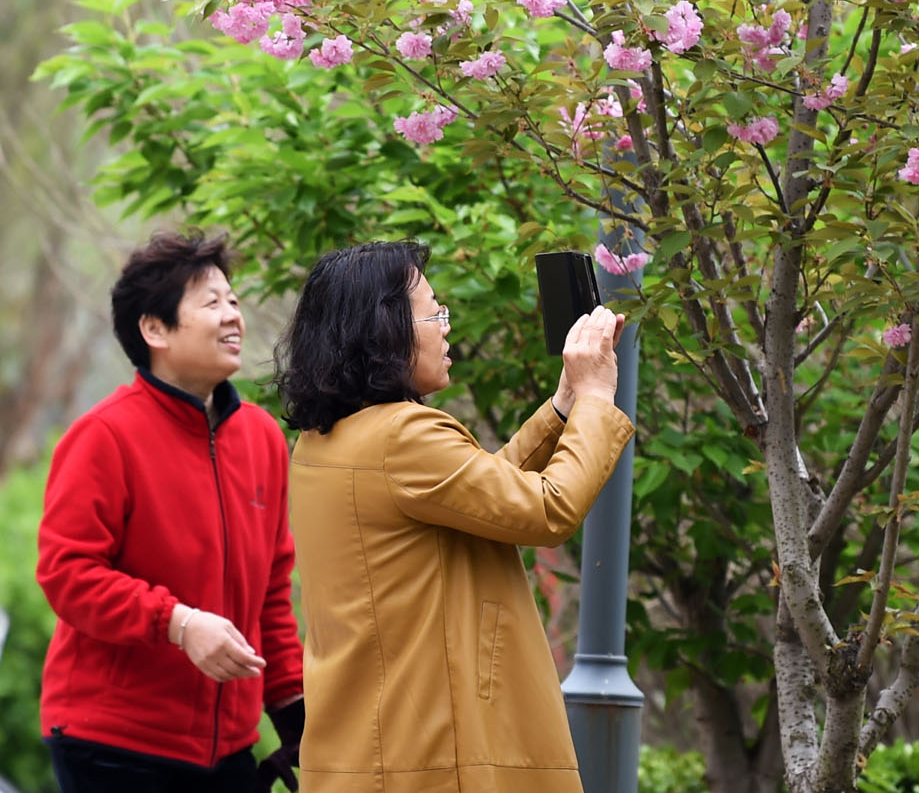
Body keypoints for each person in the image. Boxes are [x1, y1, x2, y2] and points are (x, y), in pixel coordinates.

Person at [275, 239, 634, 793]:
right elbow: (546, 509)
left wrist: (564, 404)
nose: (446, 326)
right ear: (384, 329)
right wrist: (595, 399)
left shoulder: (326, 441)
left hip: (374, 753)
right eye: (433, 312)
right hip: (435, 762)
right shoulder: (403, 436)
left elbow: (480, 495)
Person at [37, 231, 305, 793]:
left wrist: (292, 705)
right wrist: (179, 623)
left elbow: (272, 593)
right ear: (154, 328)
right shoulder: (103, 437)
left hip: (229, 745)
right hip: (112, 744)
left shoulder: (260, 437)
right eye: (211, 303)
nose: (233, 315)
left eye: (233, 301)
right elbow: (68, 576)